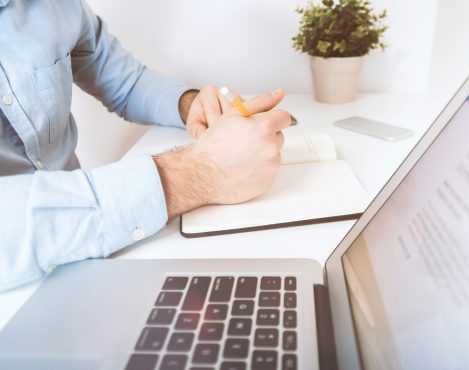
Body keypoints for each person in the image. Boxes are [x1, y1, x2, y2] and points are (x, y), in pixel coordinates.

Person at [0, 0, 291, 291]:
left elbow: (124, 81)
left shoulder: (58, 6)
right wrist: (202, 171)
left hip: (93, 256)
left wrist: (190, 105)